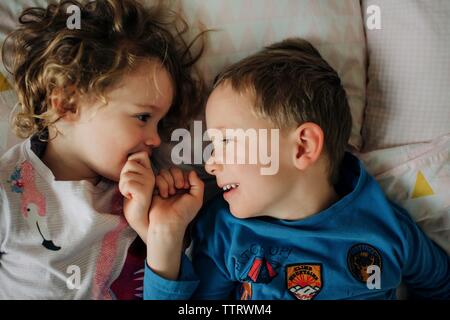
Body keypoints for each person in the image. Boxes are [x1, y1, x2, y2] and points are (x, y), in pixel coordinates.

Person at [139, 38, 450, 300]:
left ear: (302, 147)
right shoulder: (227, 234)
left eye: (227, 140)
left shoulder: (385, 226)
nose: (210, 162)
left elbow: (439, 285)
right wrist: (165, 238)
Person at [0, 0, 205, 299]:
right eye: (143, 118)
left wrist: (158, 233)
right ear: (68, 103)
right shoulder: (8, 192)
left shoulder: (150, 196)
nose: (156, 140)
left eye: (159, 125)